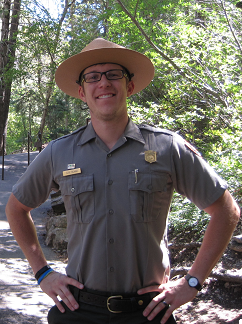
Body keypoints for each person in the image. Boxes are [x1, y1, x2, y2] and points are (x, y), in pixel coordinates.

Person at [6, 38, 240, 324]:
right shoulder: (59, 152)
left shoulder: (168, 148)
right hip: (79, 310)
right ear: (82, 92)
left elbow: (226, 210)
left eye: (113, 74)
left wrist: (192, 282)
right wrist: (43, 272)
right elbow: (16, 208)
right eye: (93, 77)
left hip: (148, 312)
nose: (103, 83)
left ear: (129, 86)